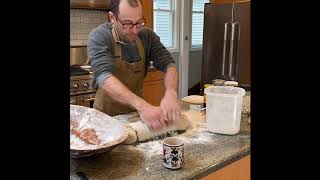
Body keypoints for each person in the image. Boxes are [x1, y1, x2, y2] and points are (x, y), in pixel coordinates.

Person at [87, 0, 181, 131]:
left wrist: (171, 92)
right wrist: (144, 107)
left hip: (135, 118)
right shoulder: (100, 36)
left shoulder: (147, 37)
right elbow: (104, 78)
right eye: (128, 24)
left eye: (139, 22)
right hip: (105, 119)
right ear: (112, 18)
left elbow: (169, 64)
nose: (135, 30)